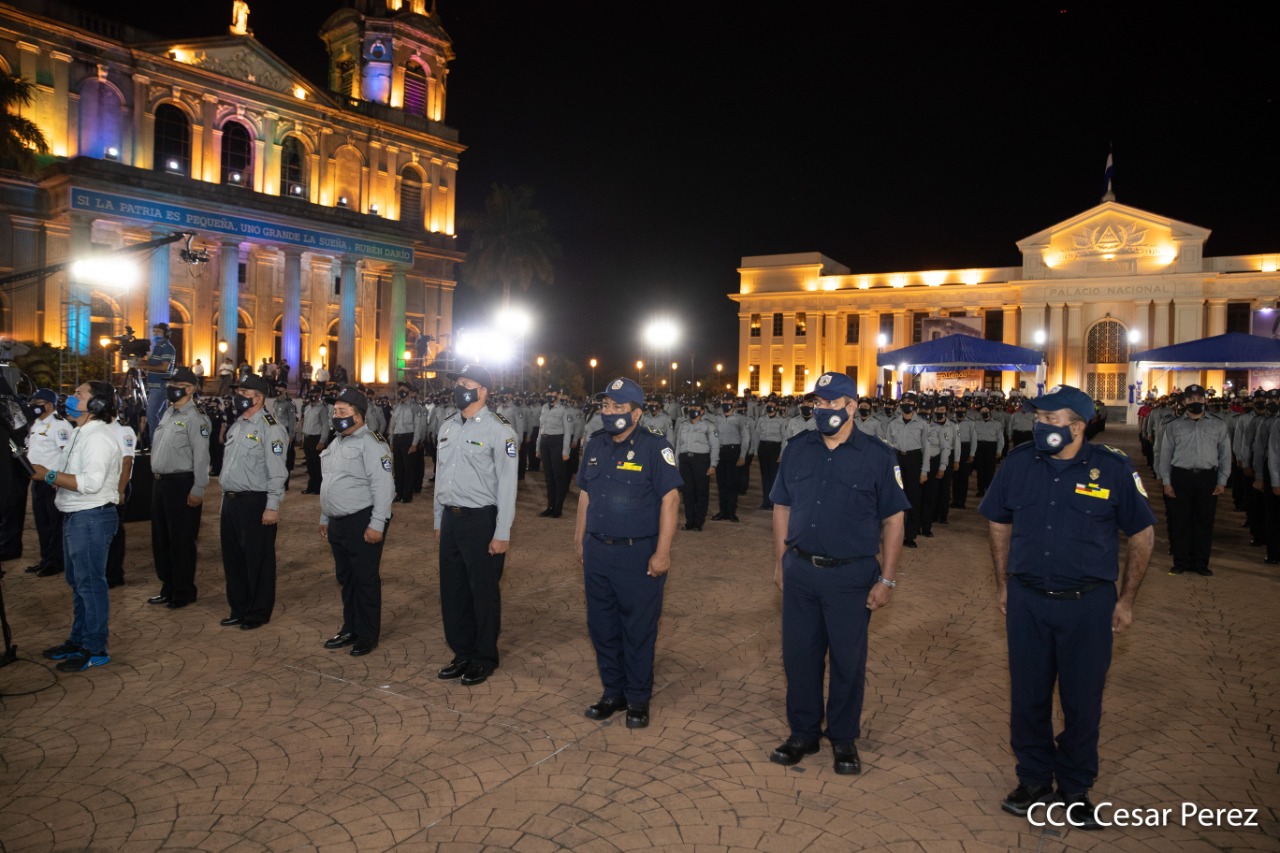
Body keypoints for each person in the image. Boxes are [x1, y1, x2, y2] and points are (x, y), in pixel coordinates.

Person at [979, 385, 1155, 829]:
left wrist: (1126, 599)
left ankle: (1075, 787)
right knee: (1028, 697)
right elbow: (998, 521)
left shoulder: (1112, 468)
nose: (1039, 426)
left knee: (1083, 701)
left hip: (1088, 606)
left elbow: (1142, 534)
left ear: (1077, 426)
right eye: (1037, 418)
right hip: (1028, 600)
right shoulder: (1018, 463)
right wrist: (1004, 583)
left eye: (1049, 419)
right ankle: (1034, 779)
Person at [767, 371, 909, 774]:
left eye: (831, 402)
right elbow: (782, 507)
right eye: (818, 402)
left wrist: (887, 579)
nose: (823, 409)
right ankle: (803, 732)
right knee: (799, 657)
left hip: (851, 577)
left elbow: (894, 521)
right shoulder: (797, 449)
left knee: (847, 661)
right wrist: (781, 561)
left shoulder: (878, 455)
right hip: (801, 571)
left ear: (852, 407)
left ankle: (843, 738)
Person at [575, 378, 682, 729]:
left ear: (636, 413)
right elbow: (585, 495)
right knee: (602, 626)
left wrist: (662, 552)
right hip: (598, 550)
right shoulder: (595, 444)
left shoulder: (655, 447)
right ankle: (613, 692)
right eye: (606, 405)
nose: (609, 412)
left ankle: (637, 697)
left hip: (638, 555)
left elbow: (670, 500)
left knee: (638, 629)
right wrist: (579, 539)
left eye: (618, 407)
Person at [433, 364, 518, 686]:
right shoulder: (448, 426)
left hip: (482, 520)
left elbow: (507, 485)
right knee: (452, 590)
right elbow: (441, 476)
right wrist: (438, 518)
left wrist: (502, 532)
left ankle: (484, 657)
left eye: (466, 383)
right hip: (450, 518)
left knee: (482, 592)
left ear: (482, 391)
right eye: (458, 383)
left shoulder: (500, 431)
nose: (459, 389)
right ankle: (462, 652)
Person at [33, 381, 123, 673]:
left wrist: (49, 476)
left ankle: (95, 648)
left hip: (91, 517)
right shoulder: (78, 433)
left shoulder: (98, 438)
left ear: (96, 404)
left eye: (78, 394)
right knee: (79, 583)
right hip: (77, 516)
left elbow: (91, 483)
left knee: (90, 584)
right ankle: (78, 639)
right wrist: (52, 477)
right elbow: (70, 474)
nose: (71, 398)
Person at [319, 388, 394, 657]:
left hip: (362, 520)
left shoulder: (372, 444)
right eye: (335, 411)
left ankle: (367, 633)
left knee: (365, 579)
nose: (336, 416)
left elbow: (384, 487)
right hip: (338, 521)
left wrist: (377, 524)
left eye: (342, 411)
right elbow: (329, 482)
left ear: (359, 416)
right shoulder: (336, 443)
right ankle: (350, 627)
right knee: (346, 578)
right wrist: (325, 516)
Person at [218, 374, 290, 630]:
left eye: (244, 393)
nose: (238, 397)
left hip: (255, 502)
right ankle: (238, 608)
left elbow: (277, 472)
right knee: (234, 559)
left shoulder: (271, 428)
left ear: (258, 398)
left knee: (257, 560)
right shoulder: (238, 425)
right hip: (231, 501)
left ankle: (257, 612)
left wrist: (272, 506)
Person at [147, 367, 210, 609]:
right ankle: (168, 586)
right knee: (161, 539)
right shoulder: (168, 412)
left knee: (181, 540)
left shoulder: (196, 417)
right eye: (170, 383)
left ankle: (183, 591)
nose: (170, 387)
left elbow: (202, 457)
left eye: (176, 384)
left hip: (181, 484)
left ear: (190, 388)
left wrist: (198, 488)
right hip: (160, 483)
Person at [1157, 384, 1231, 576]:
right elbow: (1165, 455)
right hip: (1181, 476)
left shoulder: (1218, 424)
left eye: (1199, 398)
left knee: (1204, 521)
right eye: (1190, 399)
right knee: (1180, 520)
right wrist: (1166, 481)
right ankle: (1180, 561)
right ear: (1184, 402)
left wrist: (1222, 480)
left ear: (1205, 400)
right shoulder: (1173, 425)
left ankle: (1200, 562)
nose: (1195, 402)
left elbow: (1225, 455)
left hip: (1207, 477)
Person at [24, 388, 69, 578]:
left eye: (38, 403)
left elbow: (67, 454)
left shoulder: (59, 425)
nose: (34, 406)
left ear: (49, 405)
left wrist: (60, 478)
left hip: (53, 482)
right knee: (42, 522)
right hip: (38, 481)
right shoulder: (36, 424)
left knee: (54, 523)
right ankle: (46, 558)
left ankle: (56, 561)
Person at [673, 401, 718, 531]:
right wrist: (676, 464)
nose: (693, 409)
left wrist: (713, 465)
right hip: (685, 460)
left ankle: (698, 522)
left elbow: (715, 446)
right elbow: (678, 445)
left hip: (701, 460)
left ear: (702, 411)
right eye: (691, 407)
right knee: (687, 492)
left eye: (696, 407)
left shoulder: (709, 425)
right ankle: (689, 521)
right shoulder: (683, 425)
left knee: (701, 492)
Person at [536, 390, 572, 518]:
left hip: (557, 442)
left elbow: (567, 432)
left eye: (553, 393)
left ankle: (558, 508)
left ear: (558, 395)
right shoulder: (545, 407)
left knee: (558, 477)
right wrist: (538, 447)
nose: (550, 395)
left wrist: (565, 451)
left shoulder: (563, 410)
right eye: (549, 393)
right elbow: (541, 428)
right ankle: (550, 506)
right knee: (548, 477)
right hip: (544, 442)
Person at [143, 323, 177, 438]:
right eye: (154, 331)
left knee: (151, 415)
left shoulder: (167, 347)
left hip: (160, 386)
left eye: (159, 331)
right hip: (154, 386)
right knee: (161, 416)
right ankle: (162, 441)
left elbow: (164, 367)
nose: (155, 334)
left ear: (166, 334)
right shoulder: (157, 347)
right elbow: (153, 365)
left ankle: (155, 442)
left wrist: (145, 366)